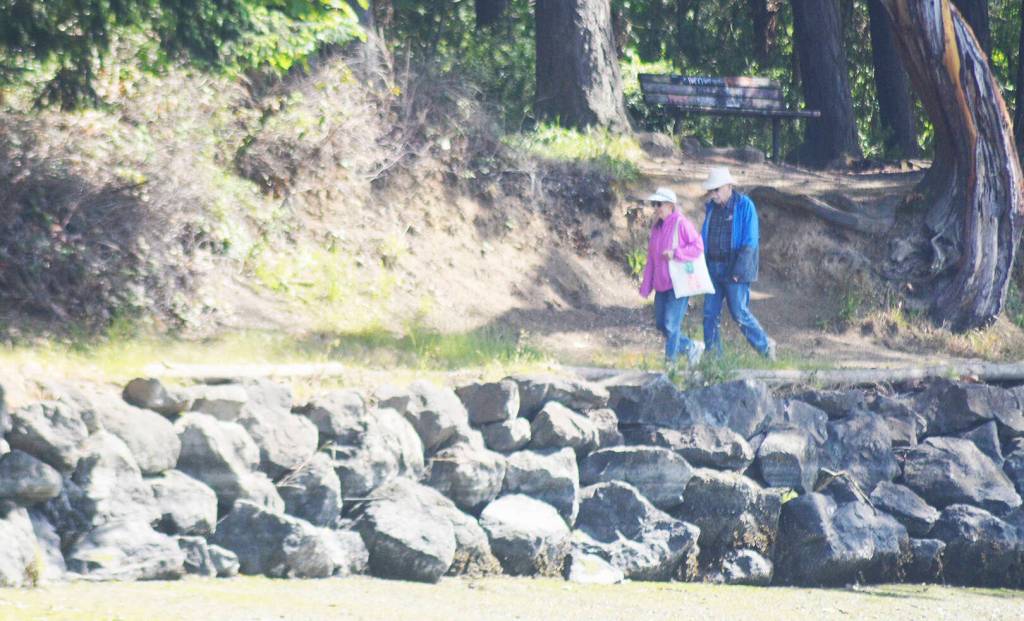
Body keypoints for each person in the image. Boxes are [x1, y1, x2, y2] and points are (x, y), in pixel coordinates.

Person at [699, 167, 776, 360]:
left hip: (735, 268)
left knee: (739, 312)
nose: (713, 194)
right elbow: (704, 238)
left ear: (728, 186)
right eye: (712, 190)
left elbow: (750, 240)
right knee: (709, 314)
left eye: (716, 190)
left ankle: (765, 347)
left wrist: (738, 270)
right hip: (713, 268)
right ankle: (713, 358)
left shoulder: (745, 205)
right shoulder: (711, 208)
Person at [638, 186, 706, 369]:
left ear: (670, 205)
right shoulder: (656, 228)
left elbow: (698, 247)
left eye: (659, 204)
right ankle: (691, 347)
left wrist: (676, 253)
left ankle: (670, 366)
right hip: (661, 285)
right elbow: (652, 259)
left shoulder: (681, 223)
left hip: (679, 284)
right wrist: (646, 286)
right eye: (655, 204)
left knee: (671, 324)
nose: (656, 207)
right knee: (661, 324)